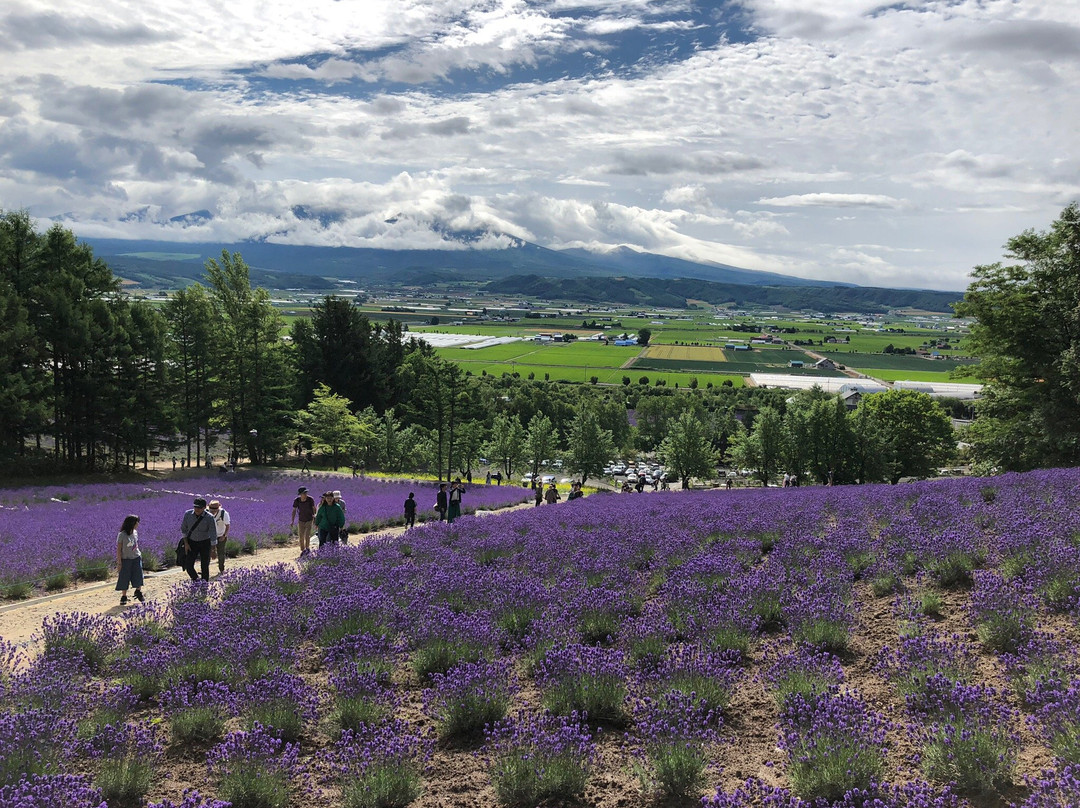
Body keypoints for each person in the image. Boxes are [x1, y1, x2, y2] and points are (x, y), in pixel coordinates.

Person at [181, 497, 218, 581]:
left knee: (204, 565)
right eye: (195, 507)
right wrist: (186, 543)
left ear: (204, 508)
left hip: (205, 543)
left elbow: (213, 533)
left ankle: (204, 585)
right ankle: (196, 580)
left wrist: (213, 550)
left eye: (199, 507)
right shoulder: (187, 514)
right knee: (189, 565)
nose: (197, 509)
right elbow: (184, 529)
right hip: (191, 542)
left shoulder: (209, 517)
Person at [115, 514, 144, 605]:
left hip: (136, 557)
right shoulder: (122, 535)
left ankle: (138, 592)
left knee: (138, 575)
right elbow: (119, 549)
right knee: (124, 577)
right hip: (125, 559)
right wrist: (119, 563)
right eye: (137, 522)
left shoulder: (135, 532)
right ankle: (124, 596)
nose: (138, 524)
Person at [291, 486, 316, 556]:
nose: (305, 494)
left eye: (306, 493)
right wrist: (292, 521)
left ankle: (307, 548)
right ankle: (303, 549)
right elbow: (294, 510)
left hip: (309, 519)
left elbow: (314, 508)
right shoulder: (297, 500)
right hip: (301, 520)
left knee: (307, 535)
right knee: (301, 536)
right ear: (300, 494)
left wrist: (315, 518)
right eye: (304, 493)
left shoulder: (310, 499)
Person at [208, 499, 230, 575]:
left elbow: (227, 525)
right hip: (209, 536)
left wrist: (224, 535)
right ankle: (205, 569)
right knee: (207, 553)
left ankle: (221, 569)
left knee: (221, 553)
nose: (213, 511)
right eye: (211, 509)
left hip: (221, 535)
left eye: (215, 509)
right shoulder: (206, 513)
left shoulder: (224, 513)